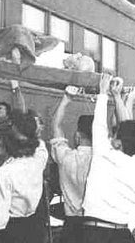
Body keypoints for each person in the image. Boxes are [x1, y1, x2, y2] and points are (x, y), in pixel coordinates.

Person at [82, 73, 135, 243]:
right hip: (122, 235)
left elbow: (98, 125)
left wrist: (103, 93)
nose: (110, 138)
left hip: (92, 233)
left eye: (114, 136)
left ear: (118, 143)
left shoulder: (102, 154)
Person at [0, 109, 48, 243]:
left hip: (12, 233)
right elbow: (39, 144)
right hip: (35, 228)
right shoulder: (39, 159)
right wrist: (33, 128)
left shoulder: (3, 174)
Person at [50, 85, 93, 243]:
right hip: (95, 224)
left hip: (71, 223)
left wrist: (66, 99)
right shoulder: (102, 160)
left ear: (77, 136)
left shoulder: (66, 157)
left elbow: (56, 126)